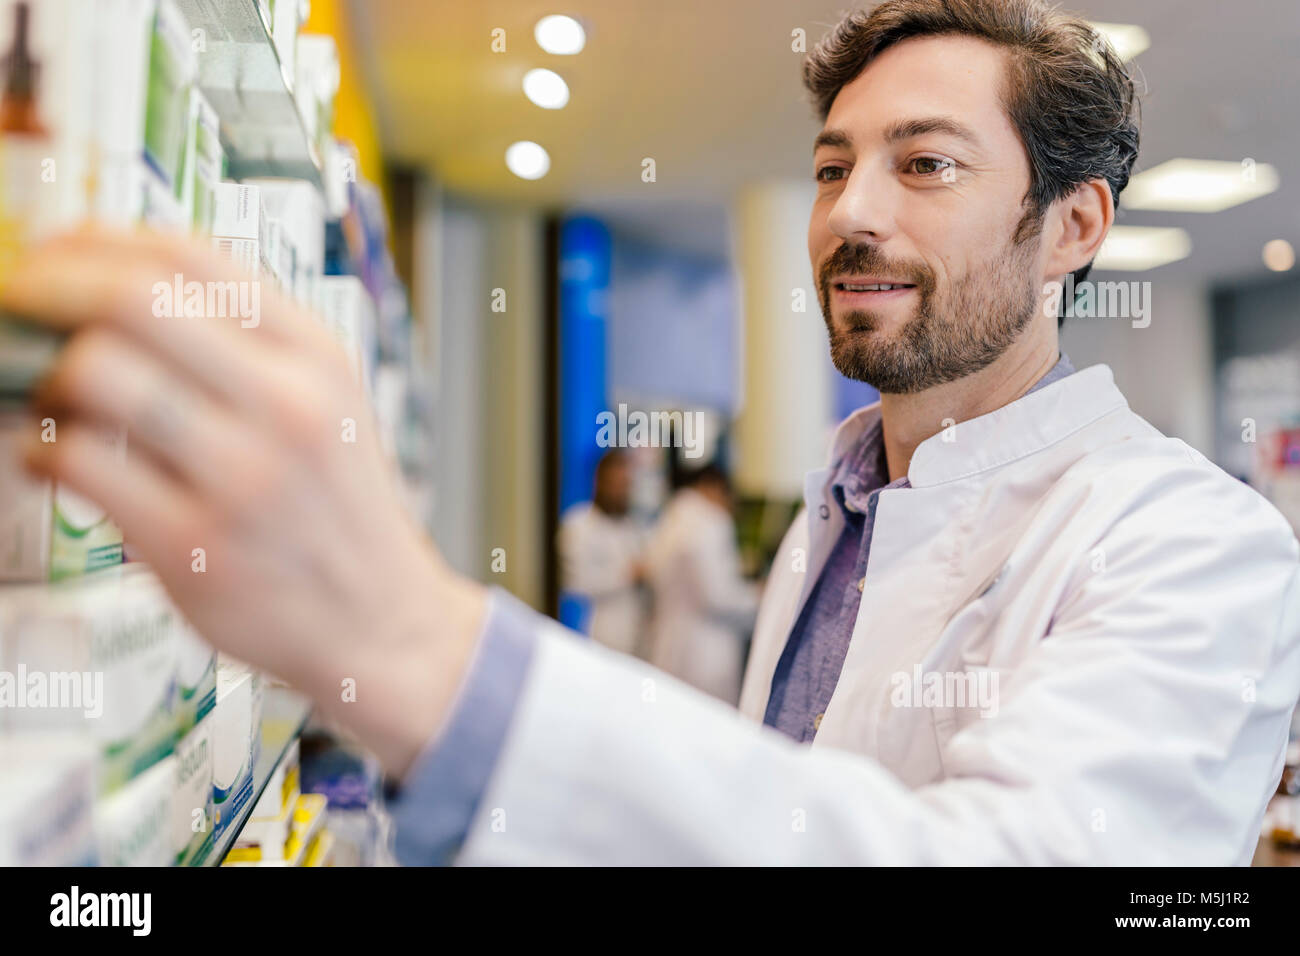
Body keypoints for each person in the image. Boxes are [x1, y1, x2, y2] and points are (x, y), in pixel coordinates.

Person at [8, 0, 1299, 864]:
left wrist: (416, 644)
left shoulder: (1192, 542)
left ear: (1075, 228)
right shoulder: (846, 506)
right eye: (833, 165)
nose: (853, 213)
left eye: (927, 165)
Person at [644, 464, 758, 704]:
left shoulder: (668, 520)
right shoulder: (712, 522)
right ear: (713, 488)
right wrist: (758, 598)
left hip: (668, 649)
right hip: (708, 657)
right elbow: (719, 597)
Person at [556, 450, 648, 657]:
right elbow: (575, 582)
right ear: (600, 482)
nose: (621, 490)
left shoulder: (631, 527)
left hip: (637, 640)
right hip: (600, 635)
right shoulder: (579, 523)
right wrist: (627, 575)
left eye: (625, 484)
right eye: (616, 484)